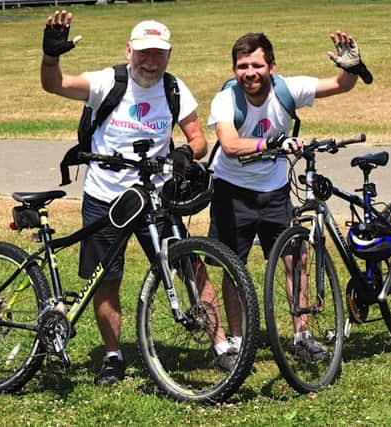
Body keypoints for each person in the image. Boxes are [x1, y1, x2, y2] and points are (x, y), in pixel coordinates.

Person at [40, 11, 242, 386]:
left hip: (156, 198)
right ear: (129, 50)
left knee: (191, 268)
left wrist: (186, 152)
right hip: (107, 198)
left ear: (169, 54)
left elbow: (198, 138)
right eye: (144, 52)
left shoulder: (174, 88)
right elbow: (55, 84)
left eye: (159, 53)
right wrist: (51, 56)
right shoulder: (107, 82)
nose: (151, 60)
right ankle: (113, 357)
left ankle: (221, 347)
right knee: (107, 280)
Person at [208, 31, 368, 361]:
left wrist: (351, 67)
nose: (248, 73)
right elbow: (229, 144)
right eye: (241, 66)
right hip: (231, 192)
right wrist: (271, 144)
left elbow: (339, 85)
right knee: (232, 267)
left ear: (271, 66)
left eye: (256, 65)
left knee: (297, 260)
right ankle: (237, 342)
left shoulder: (287, 89)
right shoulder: (226, 99)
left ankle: (301, 336)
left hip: (275, 191)